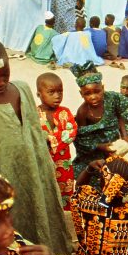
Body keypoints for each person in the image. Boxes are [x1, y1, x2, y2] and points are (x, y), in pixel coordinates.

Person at [0, 39, 72, 255]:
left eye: (5, 75)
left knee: (45, 207)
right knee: (15, 219)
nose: (0, 82)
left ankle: (52, 252)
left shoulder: (23, 89)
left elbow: (33, 127)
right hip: (6, 178)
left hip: (38, 167)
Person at [71, 62, 128, 177]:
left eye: (97, 91)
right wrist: (101, 146)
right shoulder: (83, 112)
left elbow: (120, 114)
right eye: (87, 94)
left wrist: (124, 134)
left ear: (103, 88)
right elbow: (83, 141)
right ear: (81, 94)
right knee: (98, 176)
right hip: (95, 152)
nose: (93, 96)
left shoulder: (112, 98)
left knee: (115, 173)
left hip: (113, 146)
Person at [36, 72, 77, 210]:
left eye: (60, 91)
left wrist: (49, 139)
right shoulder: (33, 114)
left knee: (65, 192)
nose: (57, 96)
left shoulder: (65, 112)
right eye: (51, 92)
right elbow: (32, 135)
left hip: (63, 164)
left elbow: (71, 132)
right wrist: (43, 138)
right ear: (39, 94)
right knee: (44, 191)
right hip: (42, 163)